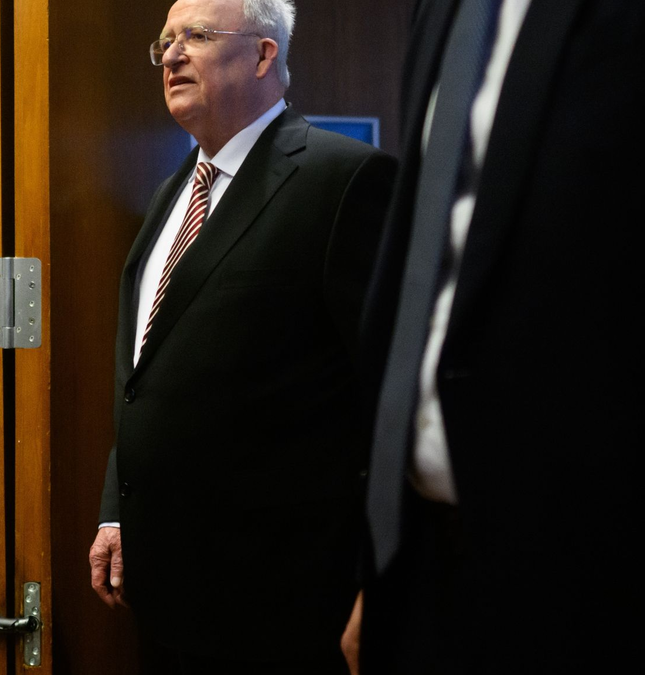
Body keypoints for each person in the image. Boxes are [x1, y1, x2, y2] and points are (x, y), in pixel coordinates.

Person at [351, 1, 645, 673]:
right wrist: (378, 569)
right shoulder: (441, 11)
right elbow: (426, 268)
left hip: (598, 587)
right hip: (418, 570)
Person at [88, 0, 396, 672]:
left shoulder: (343, 180)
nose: (170, 55)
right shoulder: (173, 191)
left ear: (264, 55)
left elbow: (388, 399)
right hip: (163, 595)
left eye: (195, 36)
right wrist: (117, 513)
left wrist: (384, 581)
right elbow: (146, 378)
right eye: (165, 41)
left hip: (282, 608)